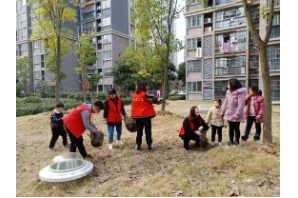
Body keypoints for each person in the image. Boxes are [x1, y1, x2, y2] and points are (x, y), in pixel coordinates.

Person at [131, 81, 169, 151]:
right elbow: (155, 99)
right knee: (148, 131)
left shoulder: (135, 95)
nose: (147, 87)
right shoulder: (145, 94)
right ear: (143, 86)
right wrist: (164, 101)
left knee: (139, 131)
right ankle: (149, 145)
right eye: (146, 86)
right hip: (145, 116)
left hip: (137, 116)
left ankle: (138, 145)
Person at [221, 79, 246, 147]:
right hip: (229, 113)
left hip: (236, 115)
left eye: (228, 84)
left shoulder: (240, 93)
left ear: (233, 85)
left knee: (236, 128)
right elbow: (225, 103)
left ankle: (237, 141)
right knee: (230, 128)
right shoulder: (228, 92)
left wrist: (237, 114)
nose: (227, 86)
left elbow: (241, 105)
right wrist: (222, 112)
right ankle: (231, 141)